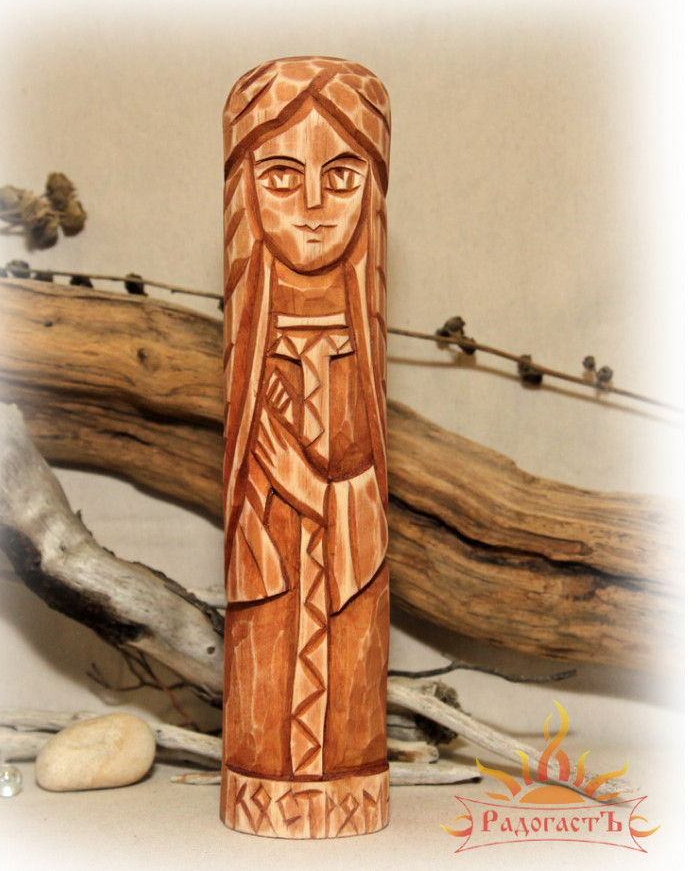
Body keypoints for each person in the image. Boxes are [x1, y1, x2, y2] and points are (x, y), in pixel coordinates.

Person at [221, 57, 392, 838]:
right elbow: (244, 522)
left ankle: (347, 785)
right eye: (283, 178)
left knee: (354, 658)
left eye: (344, 176)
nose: (316, 209)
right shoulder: (250, 340)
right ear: (243, 190)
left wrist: (315, 489)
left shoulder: (362, 330)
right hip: (274, 601)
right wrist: (277, 493)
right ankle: (261, 786)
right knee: (263, 645)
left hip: (349, 617)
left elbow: (373, 500)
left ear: (374, 190)